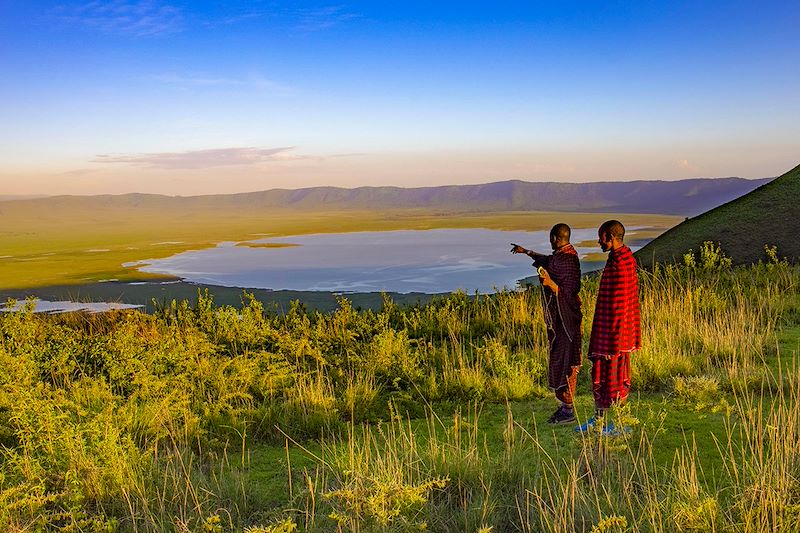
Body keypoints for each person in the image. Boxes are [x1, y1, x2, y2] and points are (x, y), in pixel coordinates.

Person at [511, 223, 582, 424]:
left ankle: (568, 409)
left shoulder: (569, 259)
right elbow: (548, 261)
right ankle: (564, 406)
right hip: (559, 322)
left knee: (568, 361)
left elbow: (571, 290)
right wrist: (526, 252)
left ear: (555, 238)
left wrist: (550, 283)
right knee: (559, 357)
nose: (550, 242)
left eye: (552, 238)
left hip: (568, 321)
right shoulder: (560, 256)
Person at [576, 220, 641, 434]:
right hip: (609, 333)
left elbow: (621, 306)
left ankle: (620, 425)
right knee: (602, 378)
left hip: (615, 337)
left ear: (611, 237)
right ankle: (598, 422)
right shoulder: (618, 258)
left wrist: (613, 342)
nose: (598, 242)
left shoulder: (622, 263)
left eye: (601, 238)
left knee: (614, 381)